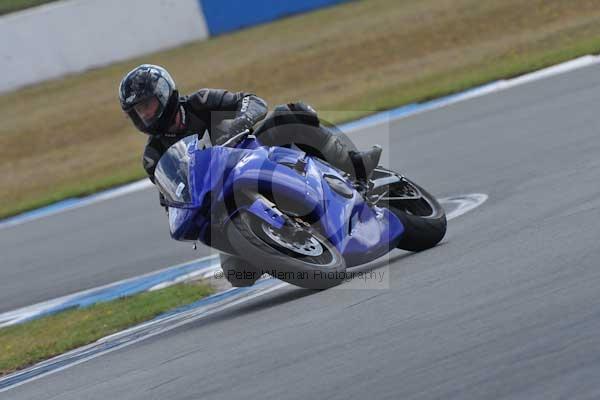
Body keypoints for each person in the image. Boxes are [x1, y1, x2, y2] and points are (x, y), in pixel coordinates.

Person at [118, 64, 381, 286]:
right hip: (220, 201)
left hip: (253, 156)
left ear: (164, 94)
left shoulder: (200, 102)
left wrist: (240, 120)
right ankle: (278, 248)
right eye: (139, 111)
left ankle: (354, 166)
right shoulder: (153, 155)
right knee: (237, 274)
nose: (146, 114)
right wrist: (176, 204)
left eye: (148, 105)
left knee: (291, 115)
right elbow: (173, 192)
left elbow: (252, 101)